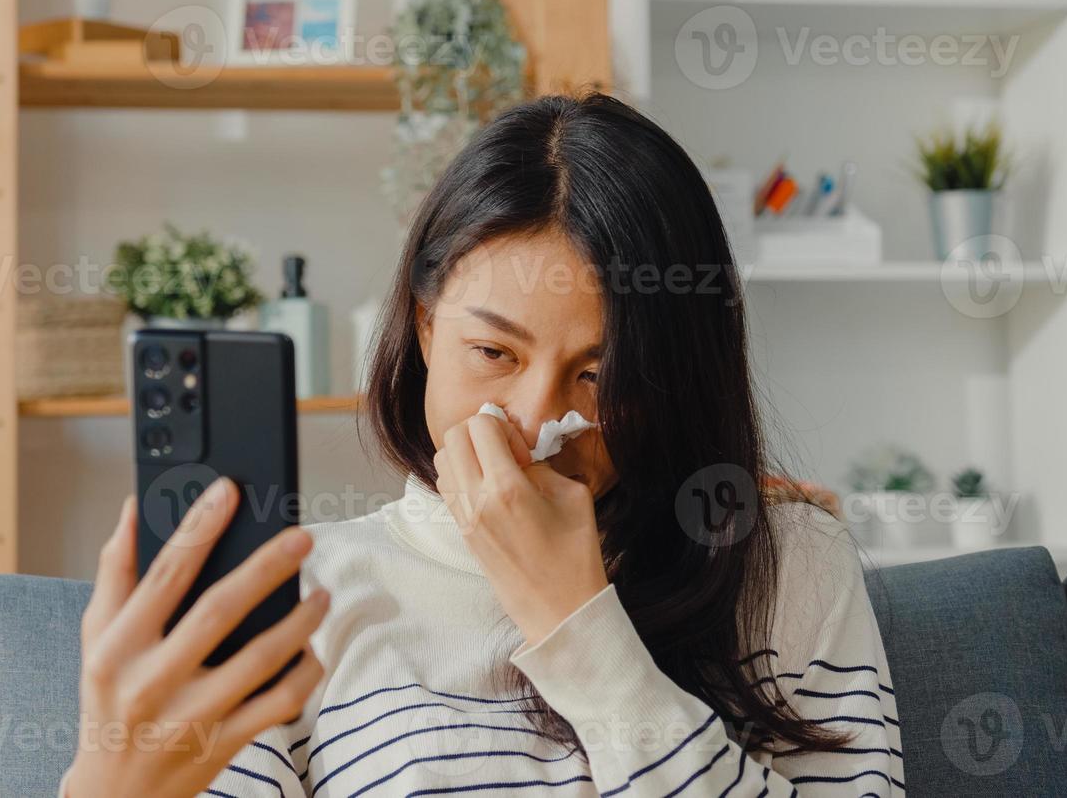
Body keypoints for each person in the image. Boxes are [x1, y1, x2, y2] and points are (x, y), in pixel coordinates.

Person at [62, 94, 904, 797]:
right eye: (495, 353)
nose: (536, 421)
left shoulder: (787, 564)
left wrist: (577, 623)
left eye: (600, 375)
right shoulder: (308, 594)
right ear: (427, 329)